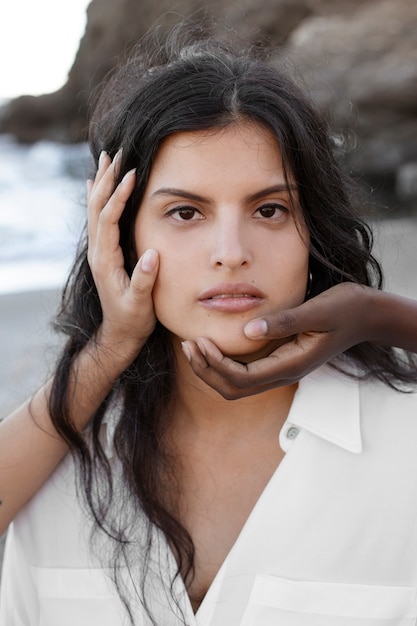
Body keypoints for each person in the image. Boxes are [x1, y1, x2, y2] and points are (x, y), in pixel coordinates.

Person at [1, 25, 417, 626]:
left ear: (312, 235)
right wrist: (111, 345)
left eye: (269, 210)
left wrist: (381, 315)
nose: (230, 251)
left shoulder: (403, 445)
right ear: (117, 234)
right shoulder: (54, 462)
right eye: (185, 212)